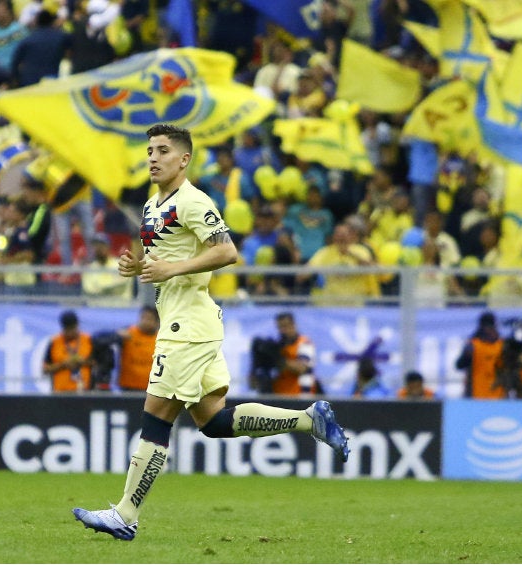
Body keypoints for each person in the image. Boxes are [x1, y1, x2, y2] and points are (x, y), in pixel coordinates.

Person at [72, 124, 349, 541]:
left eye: (163, 150)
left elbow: (226, 251)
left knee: (156, 415)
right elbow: (160, 257)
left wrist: (172, 269)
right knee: (213, 421)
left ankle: (126, 513)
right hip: (186, 319)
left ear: (183, 159)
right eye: (149, 150)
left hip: (187, 326)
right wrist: (139, 267)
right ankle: (309, 420)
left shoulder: (194, 201)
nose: (153, 157)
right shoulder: (152, 204)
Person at [455, 312, 505, 399]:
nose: (490, 331)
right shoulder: (472, 345)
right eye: (488, 327)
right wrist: (466, 357)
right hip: (476, 395)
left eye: (491, 327)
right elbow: (459, 365)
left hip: (497, 395)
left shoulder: (502, 345)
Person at [272, 312, 322, 395]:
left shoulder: (304, 342)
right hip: (280, 395)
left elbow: (302, 368)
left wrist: (280, 359)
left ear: (294, 324)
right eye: (280, 327)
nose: (283, 330)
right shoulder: (278, 345)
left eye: (285, 326)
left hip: (300, 396)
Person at [43, 309, 93, 392]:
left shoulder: (88, 340)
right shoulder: (54, 342)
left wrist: (82, 361)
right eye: (67, 330)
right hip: (60, 393)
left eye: (72, 329)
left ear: (77, 325)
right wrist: (63, 364)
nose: (70, 333)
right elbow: (45, 369)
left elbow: (96, 362)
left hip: (84, 391)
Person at [116, 305, 159, 392]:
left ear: (157, 322)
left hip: (154, 389)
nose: (144, 322)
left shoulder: (162, 338)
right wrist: (116, 335)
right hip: (129, 388)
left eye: (149, 319)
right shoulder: (128, 333)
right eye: (142, 318)